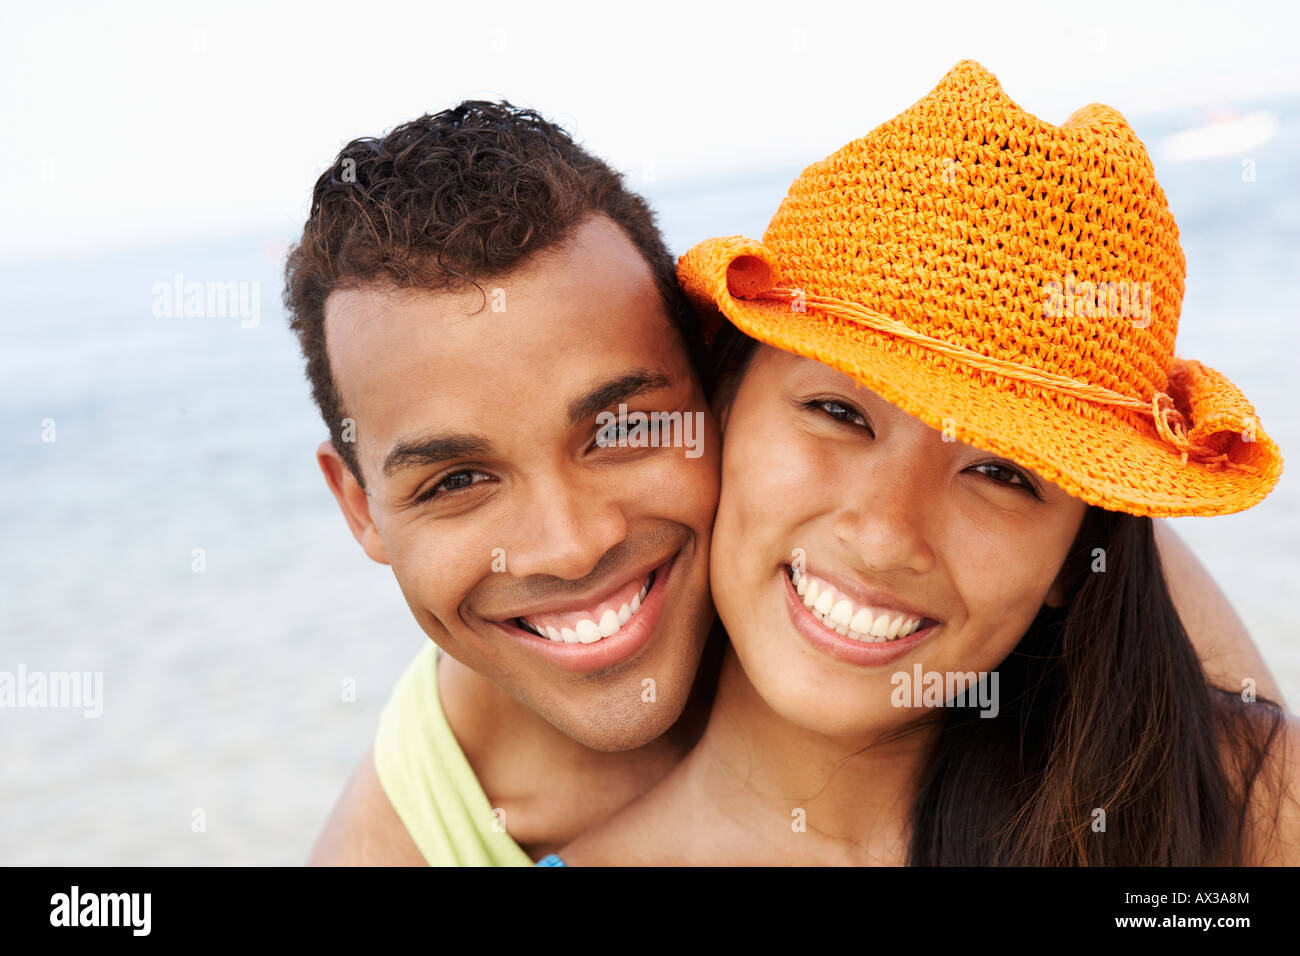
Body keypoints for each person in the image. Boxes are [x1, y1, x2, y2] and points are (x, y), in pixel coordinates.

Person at [285, 98, 1283, 865]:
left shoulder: (1218, 782)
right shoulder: (426, 809)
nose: (569, 544)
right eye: (840, 413)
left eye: (1001, 471)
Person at [551, 60, 1297, 866]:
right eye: (838, 414)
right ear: (721, 406)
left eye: (1004, 474)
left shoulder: (1238, 806)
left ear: (1073, 559)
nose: (882, 536)